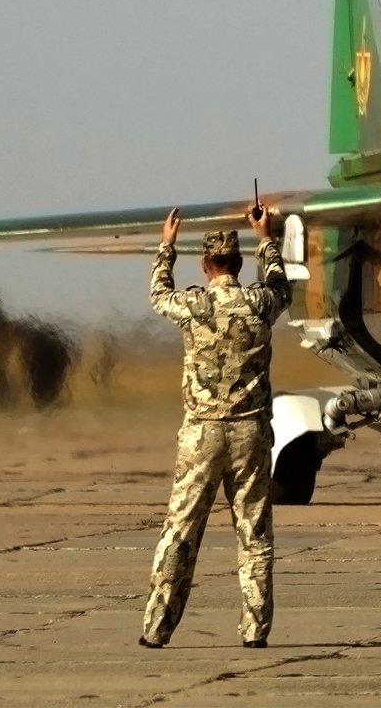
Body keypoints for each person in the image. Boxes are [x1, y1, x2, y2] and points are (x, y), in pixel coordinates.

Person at [139, 206, 289, 650]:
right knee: (254, 534)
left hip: (202, 434)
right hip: (249, 433)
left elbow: (158, 295)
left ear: (206, 266)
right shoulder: (259, 302)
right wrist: (266, 237)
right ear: (239, 265)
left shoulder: (194, 303)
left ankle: (157, 629)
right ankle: (255, 630)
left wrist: (166, 246)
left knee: (181, 532)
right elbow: (281, 285)